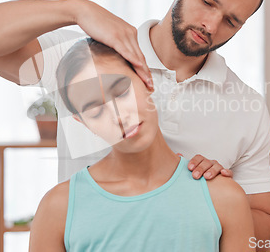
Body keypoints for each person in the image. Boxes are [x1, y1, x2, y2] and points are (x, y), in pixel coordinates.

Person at [0, 0, 270, 243]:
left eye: (231, 21)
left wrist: (217, 198)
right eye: (207, 2)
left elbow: (264, 220)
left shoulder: (247, 107)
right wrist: (76, 9)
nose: (210, 24)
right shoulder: (89, 60)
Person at [29, 38, 255, 251]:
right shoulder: (58, 209)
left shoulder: (224, 198)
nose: (118, 116)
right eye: (95, 110)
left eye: (121, 91)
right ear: (83, 122)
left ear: (146, 79)